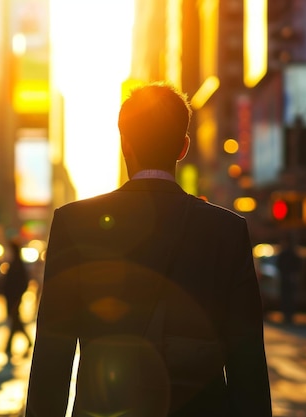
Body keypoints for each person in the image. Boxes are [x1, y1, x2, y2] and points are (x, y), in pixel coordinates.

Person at [25, 82, 271, 417]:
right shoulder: (226, 231)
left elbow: (53, 354)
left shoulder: (74, 223)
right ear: (183, 147)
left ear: (125, 142)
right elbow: (248, 363)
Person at [3, 239, 33, 358]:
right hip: (13, 299)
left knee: (15, 322)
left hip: (14, 299)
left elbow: (22, 283)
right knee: (15, 322)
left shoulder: (16, 264)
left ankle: (9, 346)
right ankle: (9, 346)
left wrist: (18, 298)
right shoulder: (16, 263)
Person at [276, 234, 302, 325]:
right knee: (286, 297)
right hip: (286, 279)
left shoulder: (290, 254)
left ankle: (289, 315)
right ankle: (287, 315)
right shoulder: (286, 254)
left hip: (289, 279)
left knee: (289, 298)